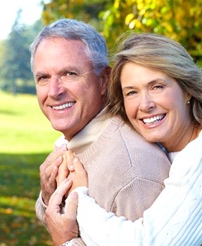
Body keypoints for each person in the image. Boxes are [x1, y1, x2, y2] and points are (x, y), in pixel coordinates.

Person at [45, 33, 202, 245]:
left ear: (187, 90)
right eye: (131, 93)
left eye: (157, 87)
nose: (145, 104)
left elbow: (150, 242)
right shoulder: (173, 143)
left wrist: (79, 199)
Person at [30, 20, 171, 245]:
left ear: (104, 80)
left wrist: (66, 241)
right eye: (43, 78)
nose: (54, 91)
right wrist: (48, 198)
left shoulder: (133, 171)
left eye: (69, 74)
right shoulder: (78, 142)